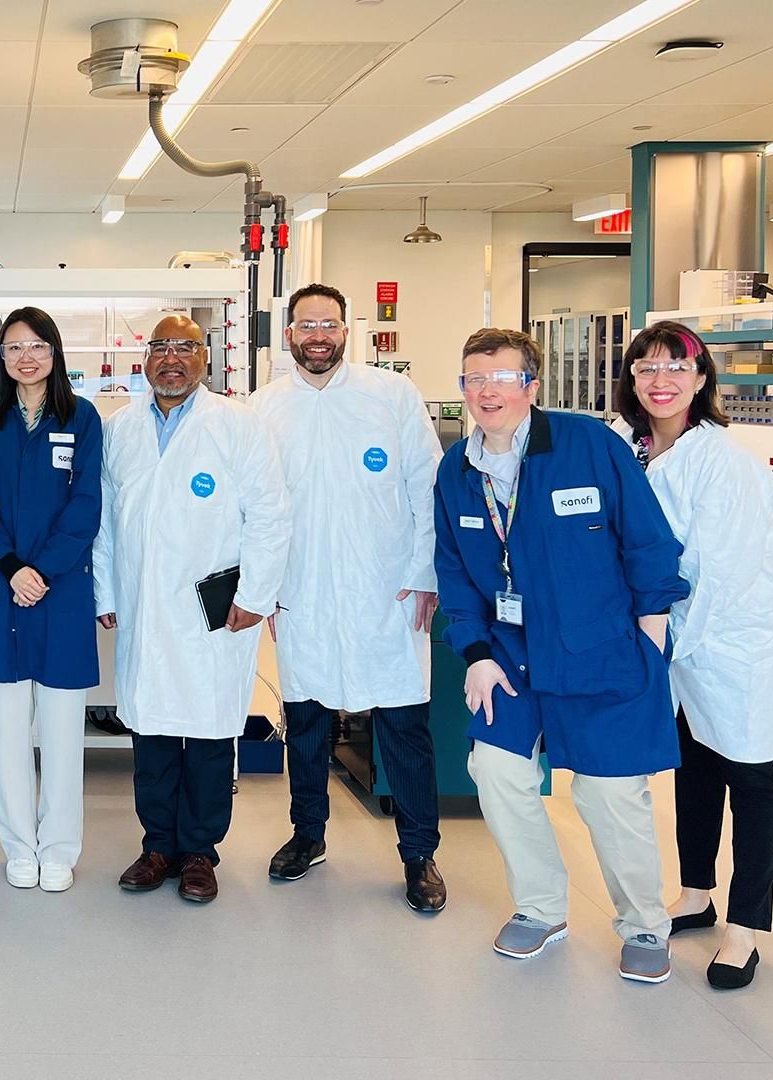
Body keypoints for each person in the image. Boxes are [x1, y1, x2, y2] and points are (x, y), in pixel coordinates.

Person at [432, 327, 688, 984]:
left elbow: (649, 544)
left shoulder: (587, 445)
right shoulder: (457, 470)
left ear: (531, 386)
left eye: (503, 378)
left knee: (609, 794)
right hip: (512, 657)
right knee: (494, 769)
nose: (487, 392)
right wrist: (477, 654)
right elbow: (455, 573)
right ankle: (542, 907)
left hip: (601, 650)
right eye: (474, 379)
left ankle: (643, 925)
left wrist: (650, 641)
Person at [252, 283, 447, 912]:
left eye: (328, 325)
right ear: (288, 334)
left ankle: (420, 854)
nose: (318, 336)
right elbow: (256, 509)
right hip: (303, 590)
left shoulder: (390, 396)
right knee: (305, 721)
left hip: (385, 590)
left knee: (403, 726)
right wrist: (268, 590)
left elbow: (427, 487)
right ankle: (308, 834)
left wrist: (424, 573)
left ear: (346, 330)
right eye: (306, 326)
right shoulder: (264, 407)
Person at [613, 321, 773, 990]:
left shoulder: (726, 463)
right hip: (672, 641)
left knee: (749, 776)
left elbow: (722, 575)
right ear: (630, 379)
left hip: (732, 643)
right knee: (693, 766)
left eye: (676, 368)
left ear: (701, 378)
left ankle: (743, 929)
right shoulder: (631, 447)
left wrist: (658, 646)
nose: (661, 380)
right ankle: (695, 893)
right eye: (647, 368)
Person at [93, 314, 289, 904]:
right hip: (146, 605)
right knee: (150, 730)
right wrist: (107, 591)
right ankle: (158, 846)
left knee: (207, 732)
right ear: (144, 358)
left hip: (215, 607)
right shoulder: (120, 429)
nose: (171, 358)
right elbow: (106, 520)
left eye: (186, 347)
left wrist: (255, 596)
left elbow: (271, 515)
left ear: (206, 357)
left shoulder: (237, 425)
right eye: (161, 347)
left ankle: (201, 852)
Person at [0, 306, 103, 893]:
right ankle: (20, 846)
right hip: (3, 589)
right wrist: (14, 569)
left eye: (38, 345)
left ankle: (60, 848)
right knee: (8, 733)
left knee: (65, 734)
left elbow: (86, 504)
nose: (27, 357)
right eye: (15, 347)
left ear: (55, 353)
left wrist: (41, 570)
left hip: (62, 590)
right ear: (1, 357)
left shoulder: (83, 418)